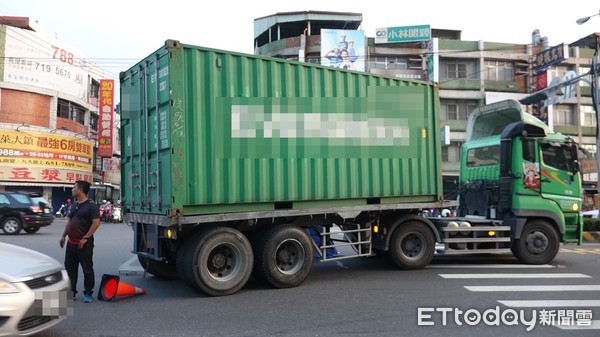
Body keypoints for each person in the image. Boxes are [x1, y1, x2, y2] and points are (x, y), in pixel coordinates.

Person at [59, 180, 101, 303]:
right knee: (70, 269)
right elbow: (70, 222)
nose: (72, 190)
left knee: (87, 269)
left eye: (74, 188)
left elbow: (96, 223)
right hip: (71, 243)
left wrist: (86, 237)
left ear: (81, 190)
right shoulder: (73, 205)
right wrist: (63, 236)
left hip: (84, 244)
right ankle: (72, 293)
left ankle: (88, 293)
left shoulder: (91, 206)